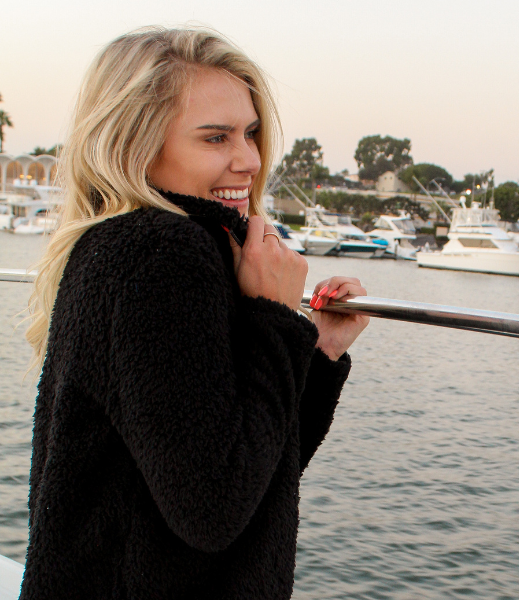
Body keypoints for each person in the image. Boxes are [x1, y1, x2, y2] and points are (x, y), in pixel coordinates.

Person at [20, 26, 369, 598]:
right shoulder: (162, 253)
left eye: (252, 134)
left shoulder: (128, 245)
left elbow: (252, 471)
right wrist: (273, 320)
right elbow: (214, 507)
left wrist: (318, 348)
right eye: (216, 138)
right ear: (136, 144)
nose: (250, 160)